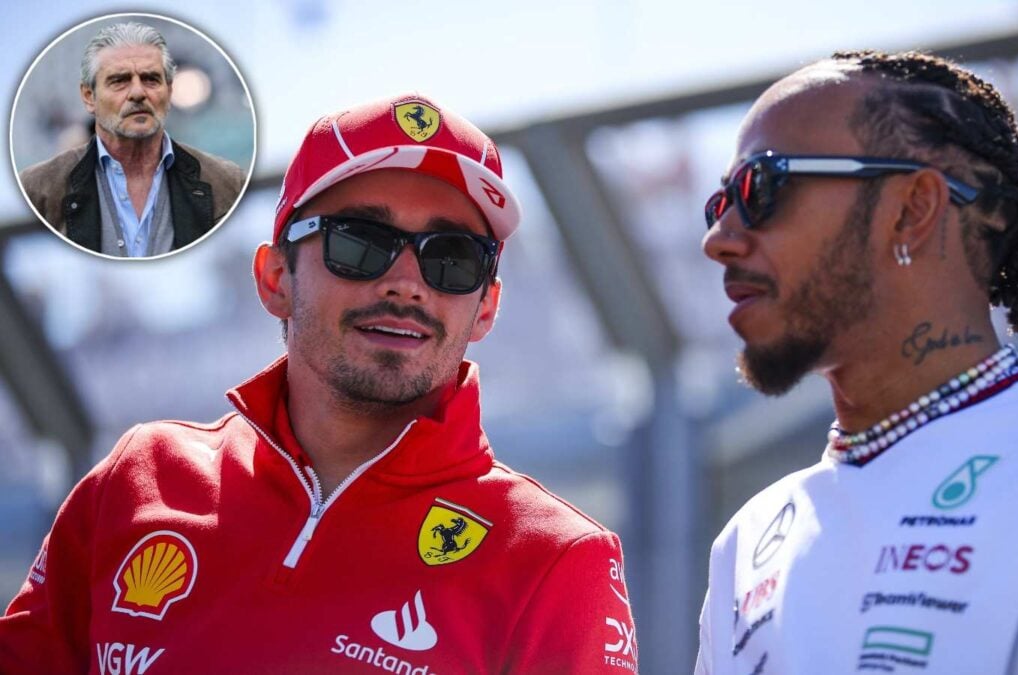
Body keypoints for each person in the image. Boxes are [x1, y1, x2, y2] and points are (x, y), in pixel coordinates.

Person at [1, 94, 638, 674]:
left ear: (486, 307)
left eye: (452, 257)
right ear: (276, 277)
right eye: (362, 242)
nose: (407, 283)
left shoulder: (554, 560)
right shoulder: (138, 480)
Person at [695, 50, 1018, 674]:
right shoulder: (750, 538)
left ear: (912, 208)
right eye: (720, 203)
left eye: (761, 186)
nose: (720, 239)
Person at [18, 22, 245, 257]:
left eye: (150, 79)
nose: (137, 93)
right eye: (119, 81)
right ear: (89, 97)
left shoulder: (225, 181)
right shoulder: (41, 190)